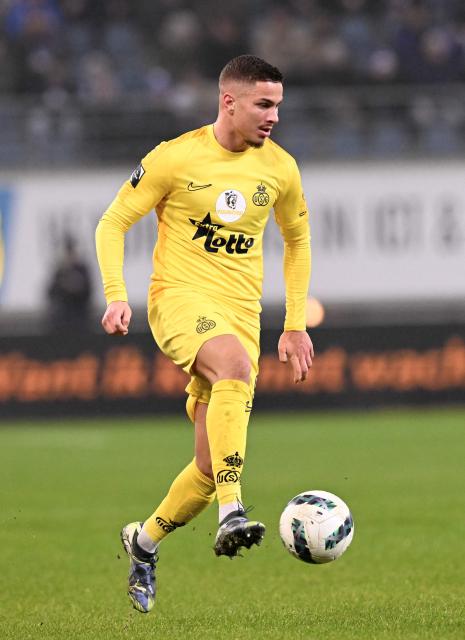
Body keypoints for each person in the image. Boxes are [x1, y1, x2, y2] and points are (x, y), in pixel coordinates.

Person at [95, 54, 313, 614]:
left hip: (241, 316)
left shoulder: (281, 170)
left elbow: (296, 243)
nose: (274, 117)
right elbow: (113, 222)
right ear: (229, 102)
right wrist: (116, 294)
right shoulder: (174, 158)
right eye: (264, 104)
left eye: (278, 106)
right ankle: (233, 511)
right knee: (234, 367)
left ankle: (143, 544)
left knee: (206, 467)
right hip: (178, 300)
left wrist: (292, 325)